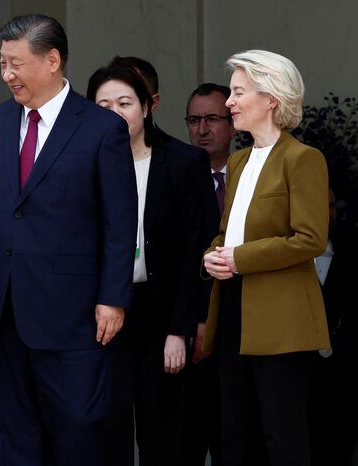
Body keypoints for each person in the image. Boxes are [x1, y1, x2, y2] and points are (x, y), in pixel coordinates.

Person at [0, 14, 138, 466]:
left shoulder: (101, 128)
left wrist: (113, 299)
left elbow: (120, 223)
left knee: (75, 436)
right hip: (4, 313)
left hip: (73, 315)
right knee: (15, 440)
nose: (7, 75)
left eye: (15, 63)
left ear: (51, 60)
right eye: (4, 63)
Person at [203, 49, 330, 466]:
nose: (230, 102)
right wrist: (212, 256)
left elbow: (310, 239)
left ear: (271, 98)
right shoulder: (238, 160)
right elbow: (227, 234)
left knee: (282, 436)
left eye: (239, 92)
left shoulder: (303, 159)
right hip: (233, 308)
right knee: (235, 434)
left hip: (283, 321)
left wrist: (240, 258)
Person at [87, 64, 213, 466]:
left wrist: (181, 328)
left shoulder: (183, 162)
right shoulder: (83, 165)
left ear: (146, 106)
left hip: (162, 315)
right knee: (107, 435)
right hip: (102, 316)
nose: (114, 113)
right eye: (103, 105)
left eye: (124, 103)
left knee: (163, 437)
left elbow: (197, 250)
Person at [182, 82, 236, 466]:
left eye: (212, 119)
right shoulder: (178, 175)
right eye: (194, 120)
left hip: (241, 325)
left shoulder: (252, 174)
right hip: (189, 331)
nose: (202, 129)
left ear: (233, 124)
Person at [308, 188, 358, 466]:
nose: (327, 213)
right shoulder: (292, 255)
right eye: (319, 205)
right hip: (300, 366)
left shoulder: (350, 252)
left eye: (331, 205)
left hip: (342, 367)